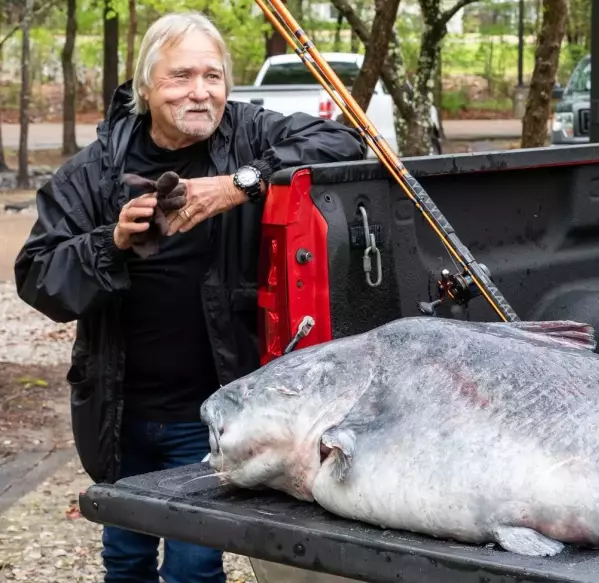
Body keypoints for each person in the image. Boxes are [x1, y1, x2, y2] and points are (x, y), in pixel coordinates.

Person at [14, 11, 366, 583]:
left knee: (195, 564)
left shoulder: (250, 135)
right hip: (119, 408)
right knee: (124, 557)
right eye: (181, 76)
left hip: (211, 410)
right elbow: (38, 276)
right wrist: (113, 242)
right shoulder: (95, 172)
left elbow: (344, 140)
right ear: (146, 87)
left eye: (214, 76)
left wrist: (241, 183)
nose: (200, 93)